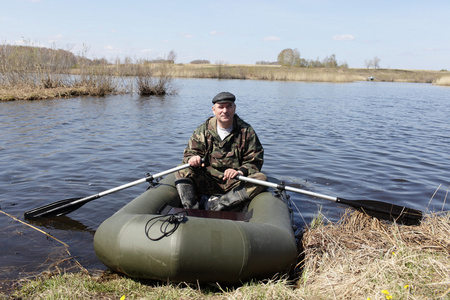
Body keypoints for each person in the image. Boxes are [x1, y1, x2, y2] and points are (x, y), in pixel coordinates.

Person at [175, 91, 267, 211]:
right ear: (214, 110)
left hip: (234, 183)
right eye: (221, 107)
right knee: (181, 169)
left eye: (228, 106)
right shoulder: (203, 130)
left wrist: (239, 172)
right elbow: (189, 153)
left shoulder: (246, 131)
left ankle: (218, 205)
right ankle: (192, 210)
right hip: (207, 180)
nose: (225, 111)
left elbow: (255, 160)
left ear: (234, 108)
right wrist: (193, 158)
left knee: (261, 179)